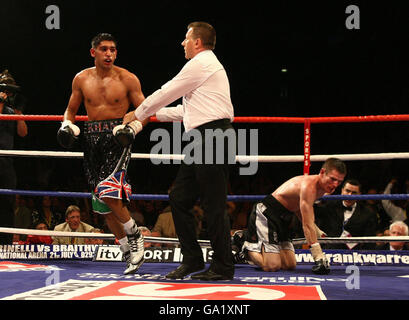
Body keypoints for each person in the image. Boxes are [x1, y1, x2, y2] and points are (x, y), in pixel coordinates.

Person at [122, 22, 235, 280]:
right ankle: (193, 260)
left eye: (186, 38)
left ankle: (223, 266)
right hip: (202, 138)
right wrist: (152, 115)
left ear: (197, 42)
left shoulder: (202, 62)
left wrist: (139, 113)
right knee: (179, 198)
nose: (182, 43)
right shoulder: (204, 69)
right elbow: (187, 111)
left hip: (214, 136)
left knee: (213, 205)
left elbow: (167, 91)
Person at [58, 33, 146, 274]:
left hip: (118, 137)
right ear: (93, 52)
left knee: (109, 190)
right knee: (103, 205)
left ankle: (136, 235)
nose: (109, 53)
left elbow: (144, 110)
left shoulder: (127, 78)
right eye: (104, 49)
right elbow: (71, 109)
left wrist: (132, 127)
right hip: (91, 138)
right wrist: (67, 124)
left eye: (113, 49)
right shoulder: (81, 79)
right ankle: (127, 250)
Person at [233, 158, 347, 275]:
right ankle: (244, 245)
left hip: (285, 217)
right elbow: (306, 225)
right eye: (332, 179)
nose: (335, 185)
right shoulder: (309, 187)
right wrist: (318, 256)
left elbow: (299, 209)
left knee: (289, 265)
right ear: (322, 172)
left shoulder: (323, 187)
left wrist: (316, 231)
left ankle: (262, 251)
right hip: (268, 213)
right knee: (272, 266)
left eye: (339, 181)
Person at [0, 70, 28, 244]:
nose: (7, 94)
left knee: (8, 202)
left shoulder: (12, 110)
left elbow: (23, 133)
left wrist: (19, 115)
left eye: (10, 92)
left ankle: (5, 242)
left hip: (6, 162)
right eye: (5, 90)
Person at [315, 179, 378, 250]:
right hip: (328, 251)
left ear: (359, 194)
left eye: (354, 193)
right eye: (347, 191)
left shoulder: (367, 213)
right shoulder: (330, 206)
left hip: (353, 255)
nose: (349, 195)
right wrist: (321, 197)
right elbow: (313, 212)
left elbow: (369, 240)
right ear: (342, 191)